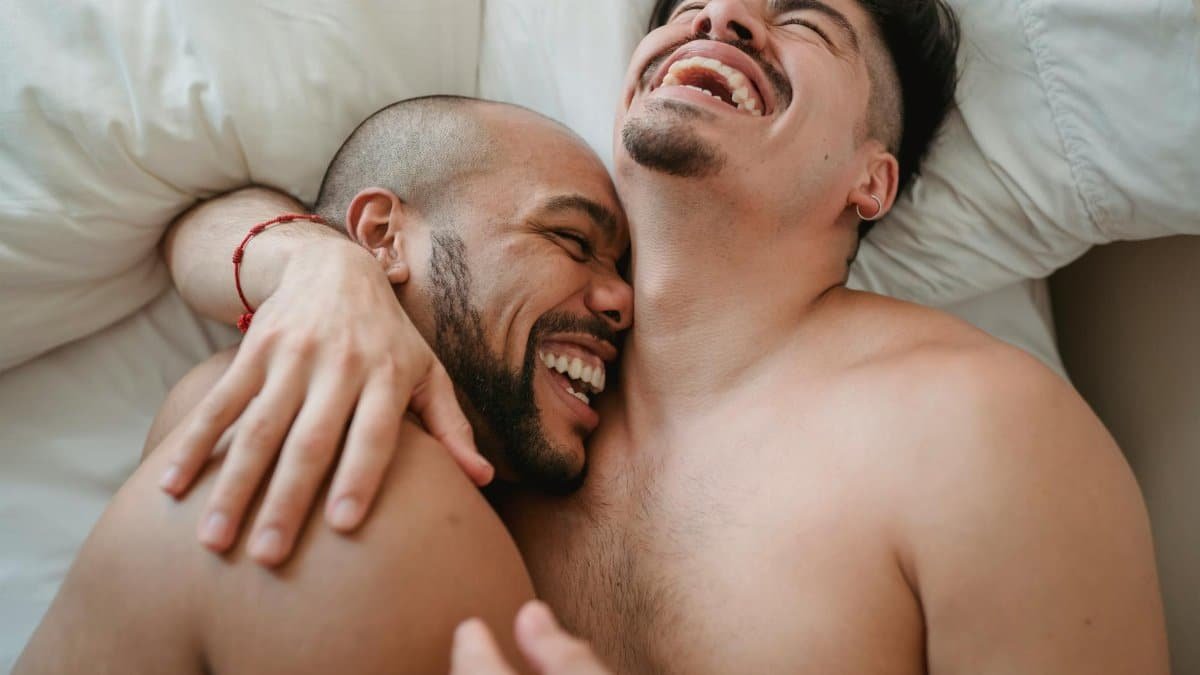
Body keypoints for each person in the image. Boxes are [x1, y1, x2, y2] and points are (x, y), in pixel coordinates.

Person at [29, 0, 1174, 673]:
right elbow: (197, 225)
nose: (721, 13)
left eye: (804, 20)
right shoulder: (504, 379)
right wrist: (313, 269)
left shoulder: (981, 431)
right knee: (271, 438)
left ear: (873, 179)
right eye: (692, 5)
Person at [15, 96, 633, 674]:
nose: (623, 301)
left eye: (621, 267)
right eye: (572, 240)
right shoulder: (378, 501)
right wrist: (324, 261)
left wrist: (322, 263)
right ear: (384, 237)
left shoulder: (240, 393)